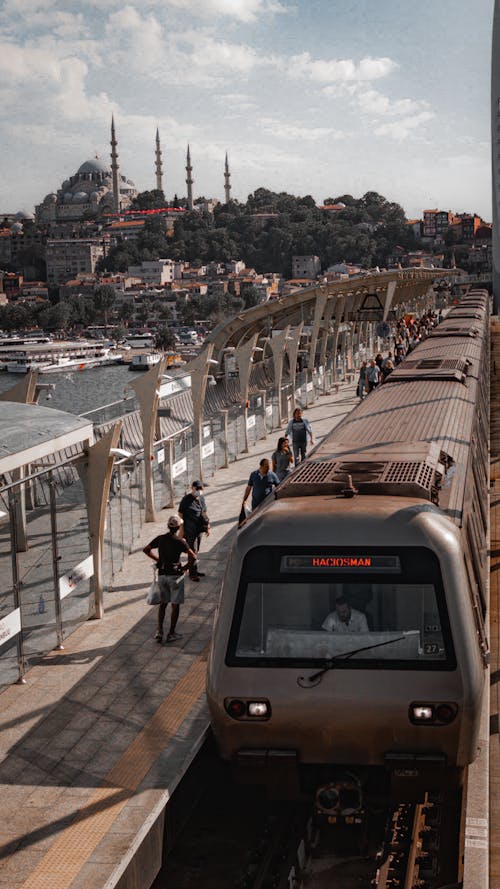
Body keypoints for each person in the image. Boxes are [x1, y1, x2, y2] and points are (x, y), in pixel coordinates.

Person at [143, 515, 197, 644]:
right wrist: (185, 568)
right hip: (175, 575)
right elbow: (193, 556)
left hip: (162, 575)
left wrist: (159, 560)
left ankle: (160, 632)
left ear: (168, 526)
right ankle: (171, 633)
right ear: (179, 527)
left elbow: (146, 549)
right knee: (175, 605)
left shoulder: (161, 539)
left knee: (163, 604)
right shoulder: (180, 541)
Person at [178, 480, 210, 581]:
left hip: (199, 529)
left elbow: (204, 512)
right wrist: (181, 529)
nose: (199, 491)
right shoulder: (186, 500)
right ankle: (192, 573)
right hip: (190, 530)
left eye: (201, 489)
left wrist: (207, 526)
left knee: (196, 550)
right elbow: (180, 514)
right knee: (192, 551)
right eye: (197, 489)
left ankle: (194, 570)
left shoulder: (201, 498)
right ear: (192, 488)